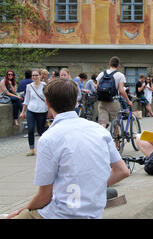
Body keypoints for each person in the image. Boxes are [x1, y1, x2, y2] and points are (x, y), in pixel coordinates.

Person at [7, 78, 129, 219]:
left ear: (47, 102)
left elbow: (44, 195)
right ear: (76, 102)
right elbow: (122, 171)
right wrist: (92, 187)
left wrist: (22, 210)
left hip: (60, 214)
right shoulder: (99, 131)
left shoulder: (48, 138)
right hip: (93, 214)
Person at [96, 56, 132, 129]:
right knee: (116, 124)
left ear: (109, 64)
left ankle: (102, 139)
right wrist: (128, 101)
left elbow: (97, 87)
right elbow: (121, 90)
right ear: (118, 65)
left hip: (102, 102)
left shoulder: (101, 74)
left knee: (103, 124)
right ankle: (116, 140)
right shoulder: (120, 75)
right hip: (114, 102)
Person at [19, 69, 48, 157]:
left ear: (40, 76)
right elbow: (26, 99)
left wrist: (50, 110)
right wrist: (23, 111)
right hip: (31, 110)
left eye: (36, 75)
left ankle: (44, 149)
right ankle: (31, 149)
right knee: (30, 129)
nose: (35, 77)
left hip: (42, 110)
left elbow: (47, 99)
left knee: (40, 130)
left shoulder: (44, 85)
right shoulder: (29, 86)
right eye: (33, 75)